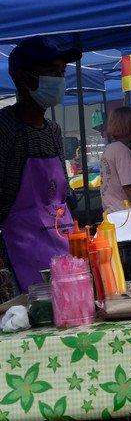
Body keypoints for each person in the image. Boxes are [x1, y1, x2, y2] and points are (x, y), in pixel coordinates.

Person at [0, 36, 78, 294]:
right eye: (51, 72)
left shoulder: (53, 130)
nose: (59, 80)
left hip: (62, 250)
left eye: (62, 72)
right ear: (24, 78)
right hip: (19, 255)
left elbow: (62, 194)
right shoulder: (5, 128)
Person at [100, 107, 131, 215]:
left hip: (110, 213)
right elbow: (129, 188)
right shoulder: (122, 151)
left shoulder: (109, 149)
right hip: (125, 214)